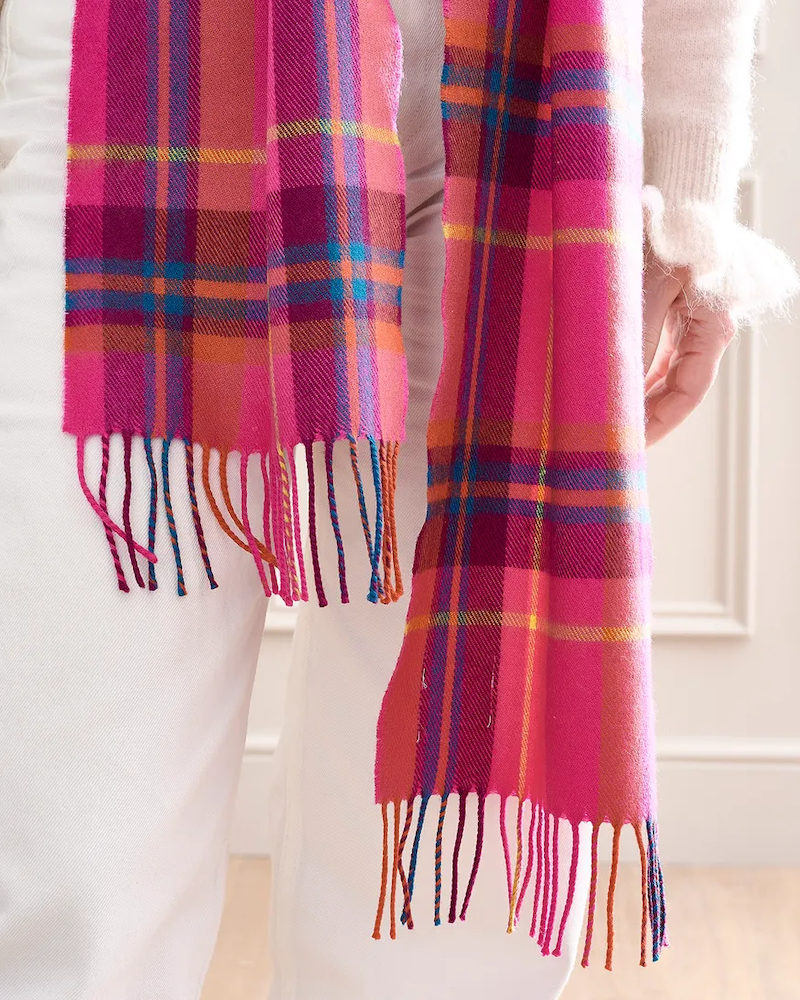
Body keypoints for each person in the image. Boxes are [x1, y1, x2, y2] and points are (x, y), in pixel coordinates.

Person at [0, 1, 794, 999]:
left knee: (447, 913)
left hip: (534, 113)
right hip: (146, 81)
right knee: (77, 868)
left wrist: (686, 204)